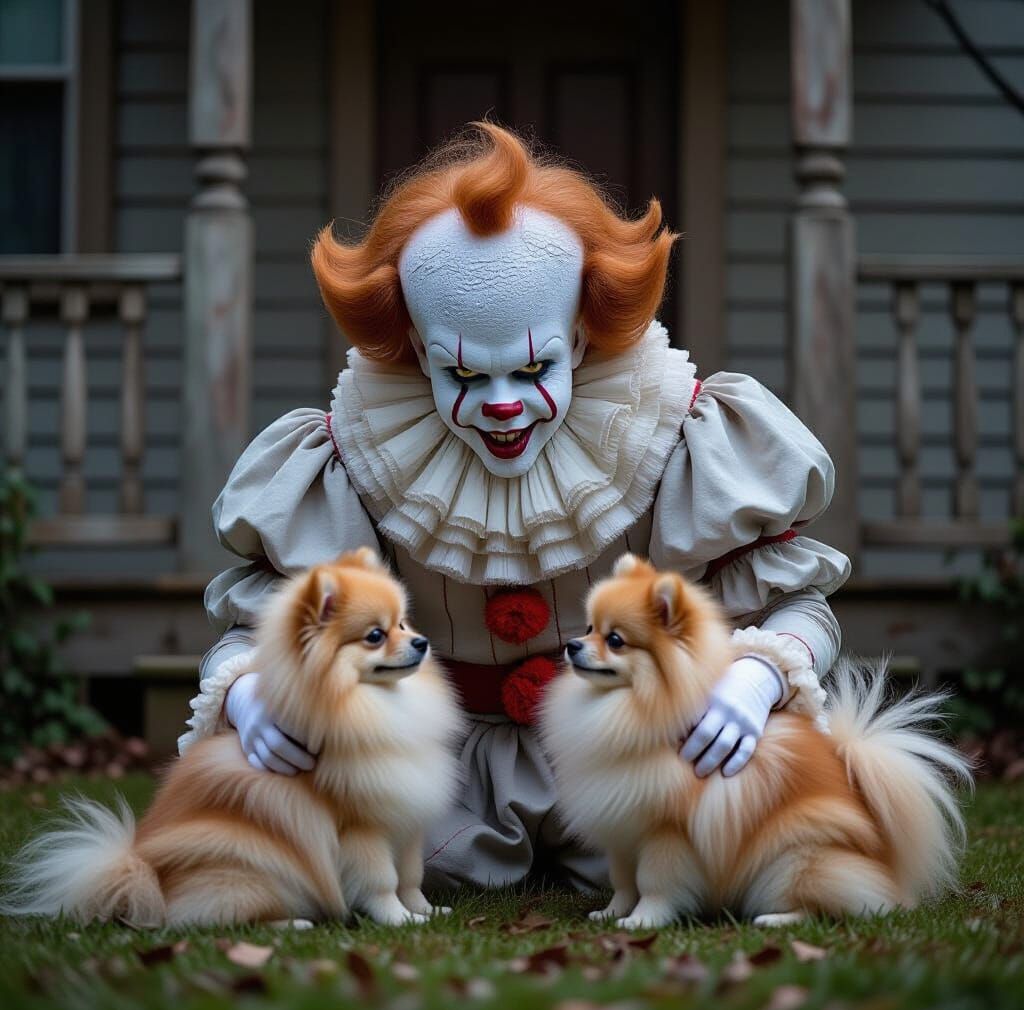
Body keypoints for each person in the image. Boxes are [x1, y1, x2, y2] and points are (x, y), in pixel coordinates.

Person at [178, 123, 850, 891]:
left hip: (633, 759)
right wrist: (246, 689)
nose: (502, 406)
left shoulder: (678, 430)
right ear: (421, 354)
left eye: (535, 365)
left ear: (579, 337)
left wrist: (756, 679)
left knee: (774, 793)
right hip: (432, 774)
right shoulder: (351, 452)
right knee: (262, 788)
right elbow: (253, 628)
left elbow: (801, 606)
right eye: (463, 376)